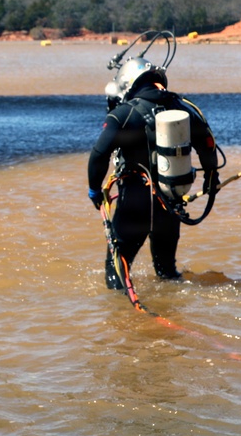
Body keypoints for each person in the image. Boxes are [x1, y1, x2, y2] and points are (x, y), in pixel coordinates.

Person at [87, 54, 220, 287]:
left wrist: (94, 190)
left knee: (117, 271)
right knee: (167, 271)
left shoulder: (123, 114)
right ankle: (173, 307)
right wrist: (211, 176)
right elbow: (207, 143)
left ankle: (124, 317)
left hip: (135, 204)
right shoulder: (181, 107)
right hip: (169, 203)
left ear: (128, 83)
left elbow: (99, 155)